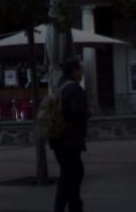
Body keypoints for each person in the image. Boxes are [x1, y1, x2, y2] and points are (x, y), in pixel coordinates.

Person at [50, 57, 89, 212]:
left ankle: (75, 205)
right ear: (74, 71)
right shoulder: (75, 89)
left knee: (72, 174)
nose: (81, 73)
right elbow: (76, 112)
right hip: (70, 140)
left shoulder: (60, 86)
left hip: (58, 139)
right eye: (80, 69)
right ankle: (64, 208)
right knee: (70, 176)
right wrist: (86, 112)